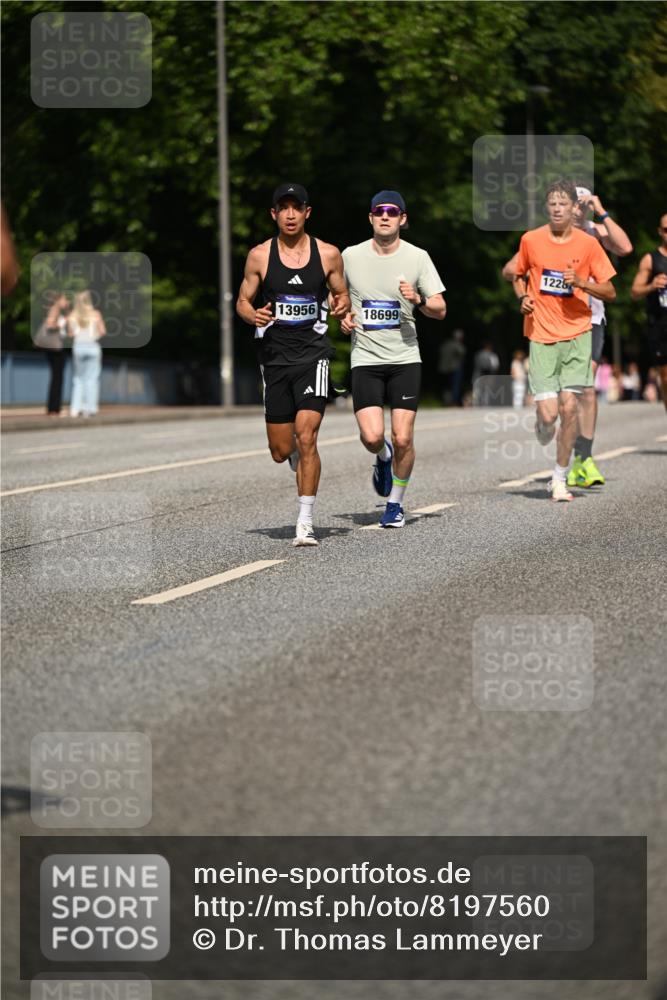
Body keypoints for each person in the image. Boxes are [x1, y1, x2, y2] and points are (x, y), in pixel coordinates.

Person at [236, 183, 349, 546]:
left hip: (314, 356)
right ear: (273, 214)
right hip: (274, 360)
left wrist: (342, 305)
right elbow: (242, 300)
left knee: (307, 436)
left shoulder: (328, 254)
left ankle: (305, 521)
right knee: (281, 450)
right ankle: (298, 462)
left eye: (295, 208)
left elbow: (341, 293)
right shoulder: (259, 256)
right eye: (282, 208)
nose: (289, 215)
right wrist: (252, 315)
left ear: (306, 213)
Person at [503, 185, 632, 487]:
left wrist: (601, 210)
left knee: (583, 391)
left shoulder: (595, 234)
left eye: (578, 205)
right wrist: (523, 290)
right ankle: (560, 438)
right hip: (548, 325)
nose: (572, 211)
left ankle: (582, 457)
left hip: (590, 320)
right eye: (562, 204)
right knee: (558, 405)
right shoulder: (539, 239)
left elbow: (625, 249)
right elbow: (512, 270)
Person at [340, 190, 446, 527]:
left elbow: (440, 309)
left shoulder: (417, 257)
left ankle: (395, 504)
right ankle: (382, 457)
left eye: (392, 211)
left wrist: (417, 299)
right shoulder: (350, 256)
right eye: (379, 211)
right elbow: (335, 299)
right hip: (366, 357)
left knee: (404, 437)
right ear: (370, 218)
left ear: (403, 219)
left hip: (404, 357)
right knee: (372, 437)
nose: (385, 216)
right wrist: (341, 316)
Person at [630, 213, 667, 412]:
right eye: (666, 230)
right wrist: (652, 285)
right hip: (660, 325)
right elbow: (635, 291)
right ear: (660, 232)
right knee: (665, 376)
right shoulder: (651, 259)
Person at [68, 290, 106, 417]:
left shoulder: (72, 315)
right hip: (92, 346)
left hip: (78, 347)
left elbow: (71, 334)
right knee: (92, 379)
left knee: (78, 379)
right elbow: (102, 332)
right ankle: (91, 409)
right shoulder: (96, 314)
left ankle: (75, 409)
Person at [41, 292, 70, 416]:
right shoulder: (55, 310)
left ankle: (54, 407)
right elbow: (49, 324)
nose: (66, 302)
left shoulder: (59, 311)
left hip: (56, 347)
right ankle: (53, 408)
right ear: (58, 300)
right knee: (57, 378)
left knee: (57, 377)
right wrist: (62, 323)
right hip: (55, 348)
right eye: (65, 299)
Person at [437, 328, 465, 406]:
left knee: (446, 387)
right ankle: (454, 402)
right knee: (455, 386)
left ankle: (446, 401)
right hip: (454, 368)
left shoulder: (445, 344)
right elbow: (462, 352)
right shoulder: (456, 344)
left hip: (443, 368)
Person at [472, 341, 500, 405]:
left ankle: (479, 404)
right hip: (483, 375)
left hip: (484, 375)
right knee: (482, 390)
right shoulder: (492, 355)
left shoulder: (480, 354)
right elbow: (495, 366)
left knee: (483, 390)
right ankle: (482, 404)